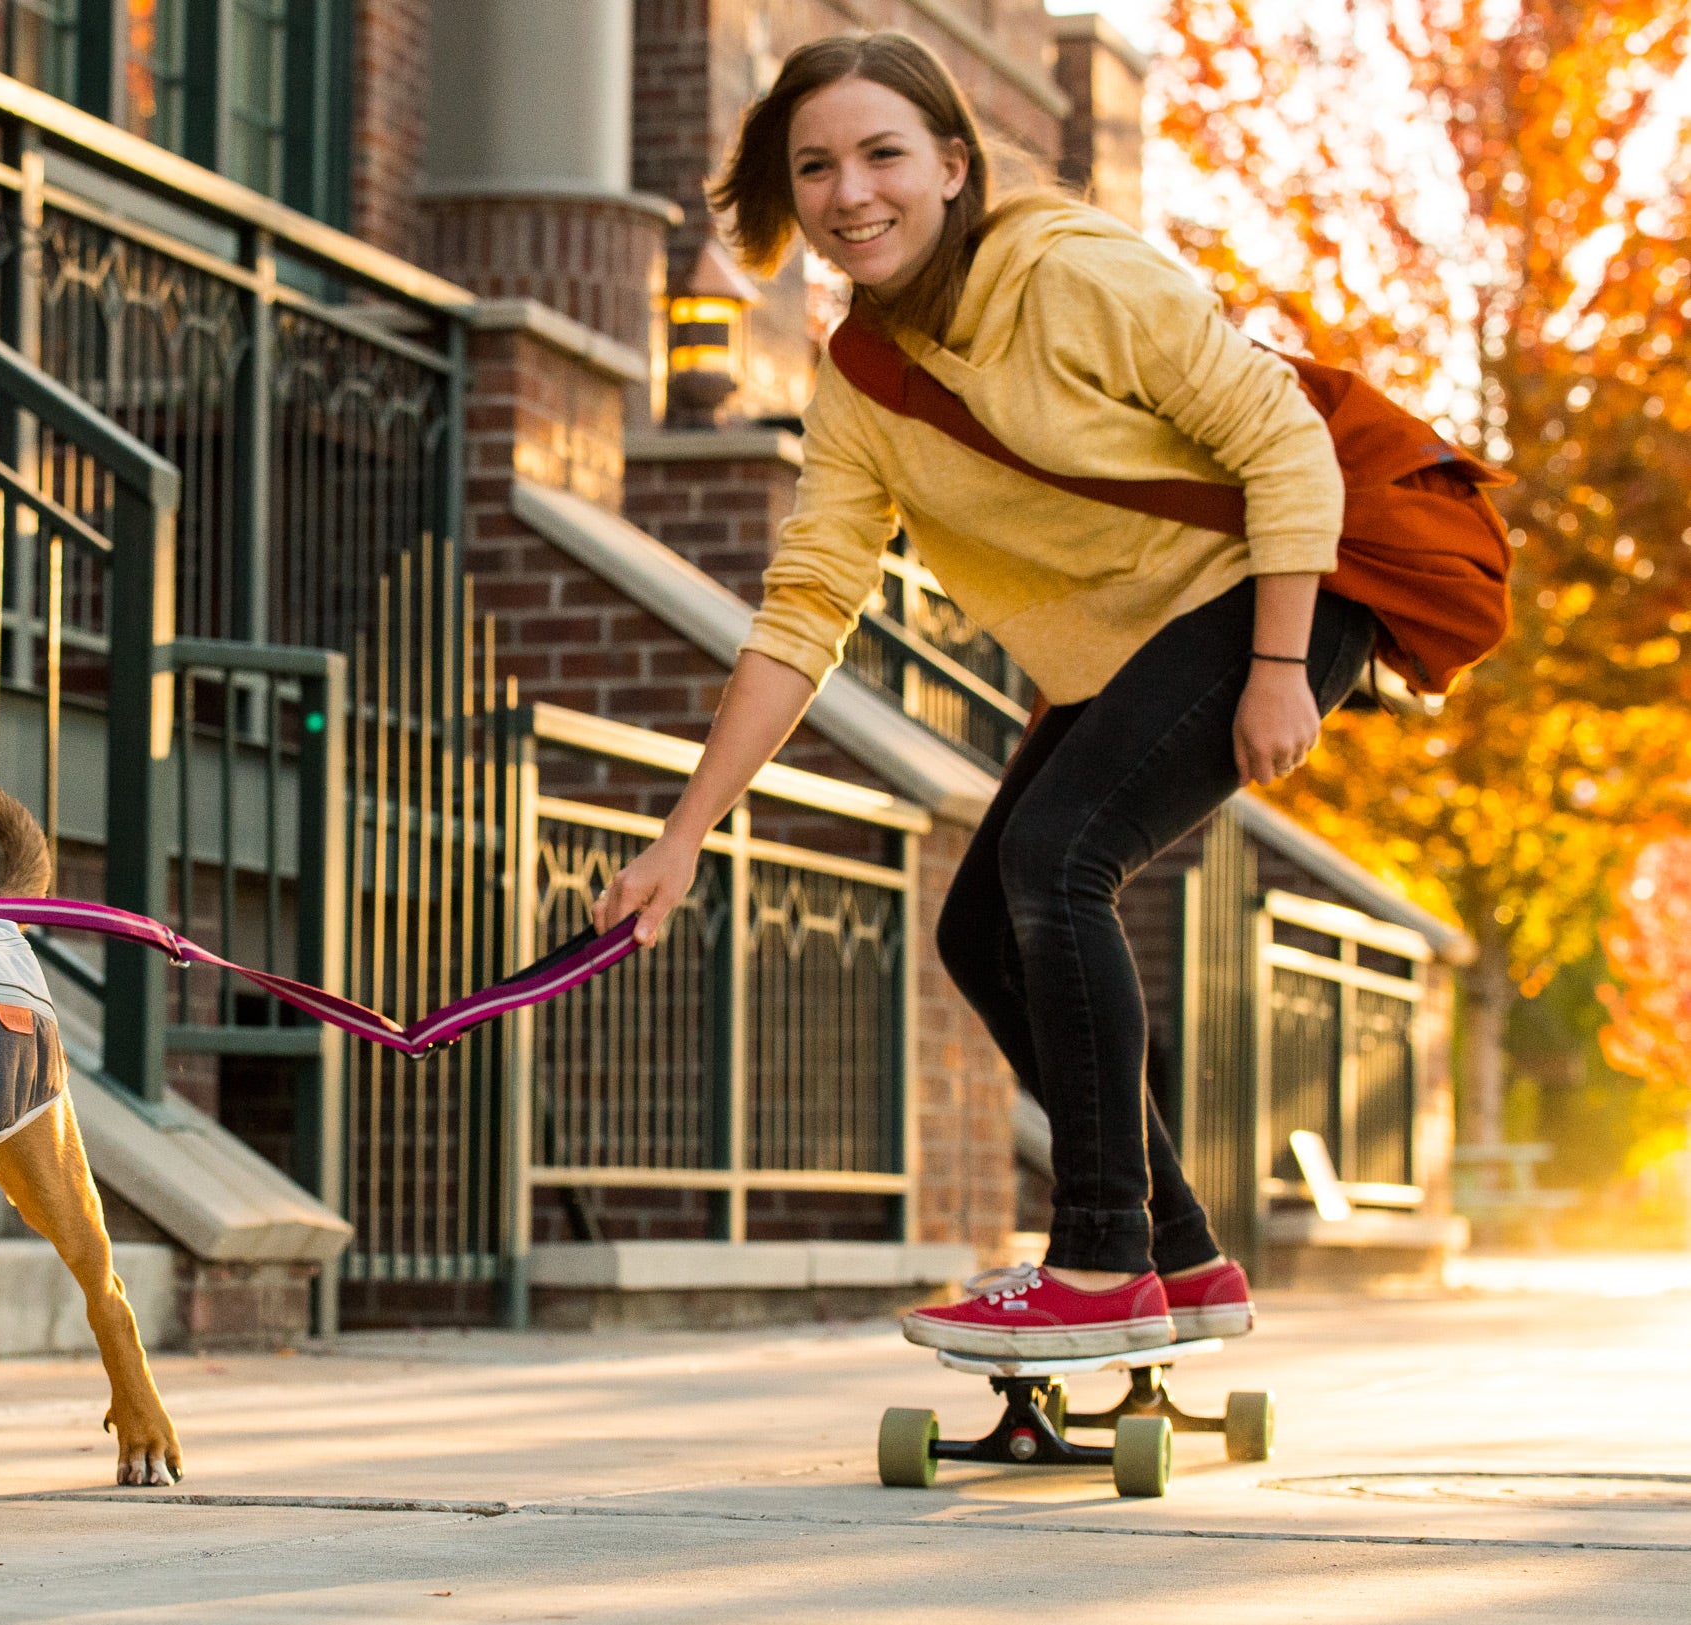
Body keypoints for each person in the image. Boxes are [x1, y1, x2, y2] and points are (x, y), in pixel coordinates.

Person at [590, 31, 1376, 1359]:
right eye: (818, 166)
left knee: (1057, 861)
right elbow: (809, 609)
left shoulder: (1072, 273)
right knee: (979, 924)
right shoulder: (862, 375)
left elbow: (1284, 442)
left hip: (1275, 591)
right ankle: (1178, 1259)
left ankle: (1100, 1256)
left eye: (884, 154)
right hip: (1136, 632)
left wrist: (1285, 666)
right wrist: (683, 835)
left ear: (954, 165)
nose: (853, 194)